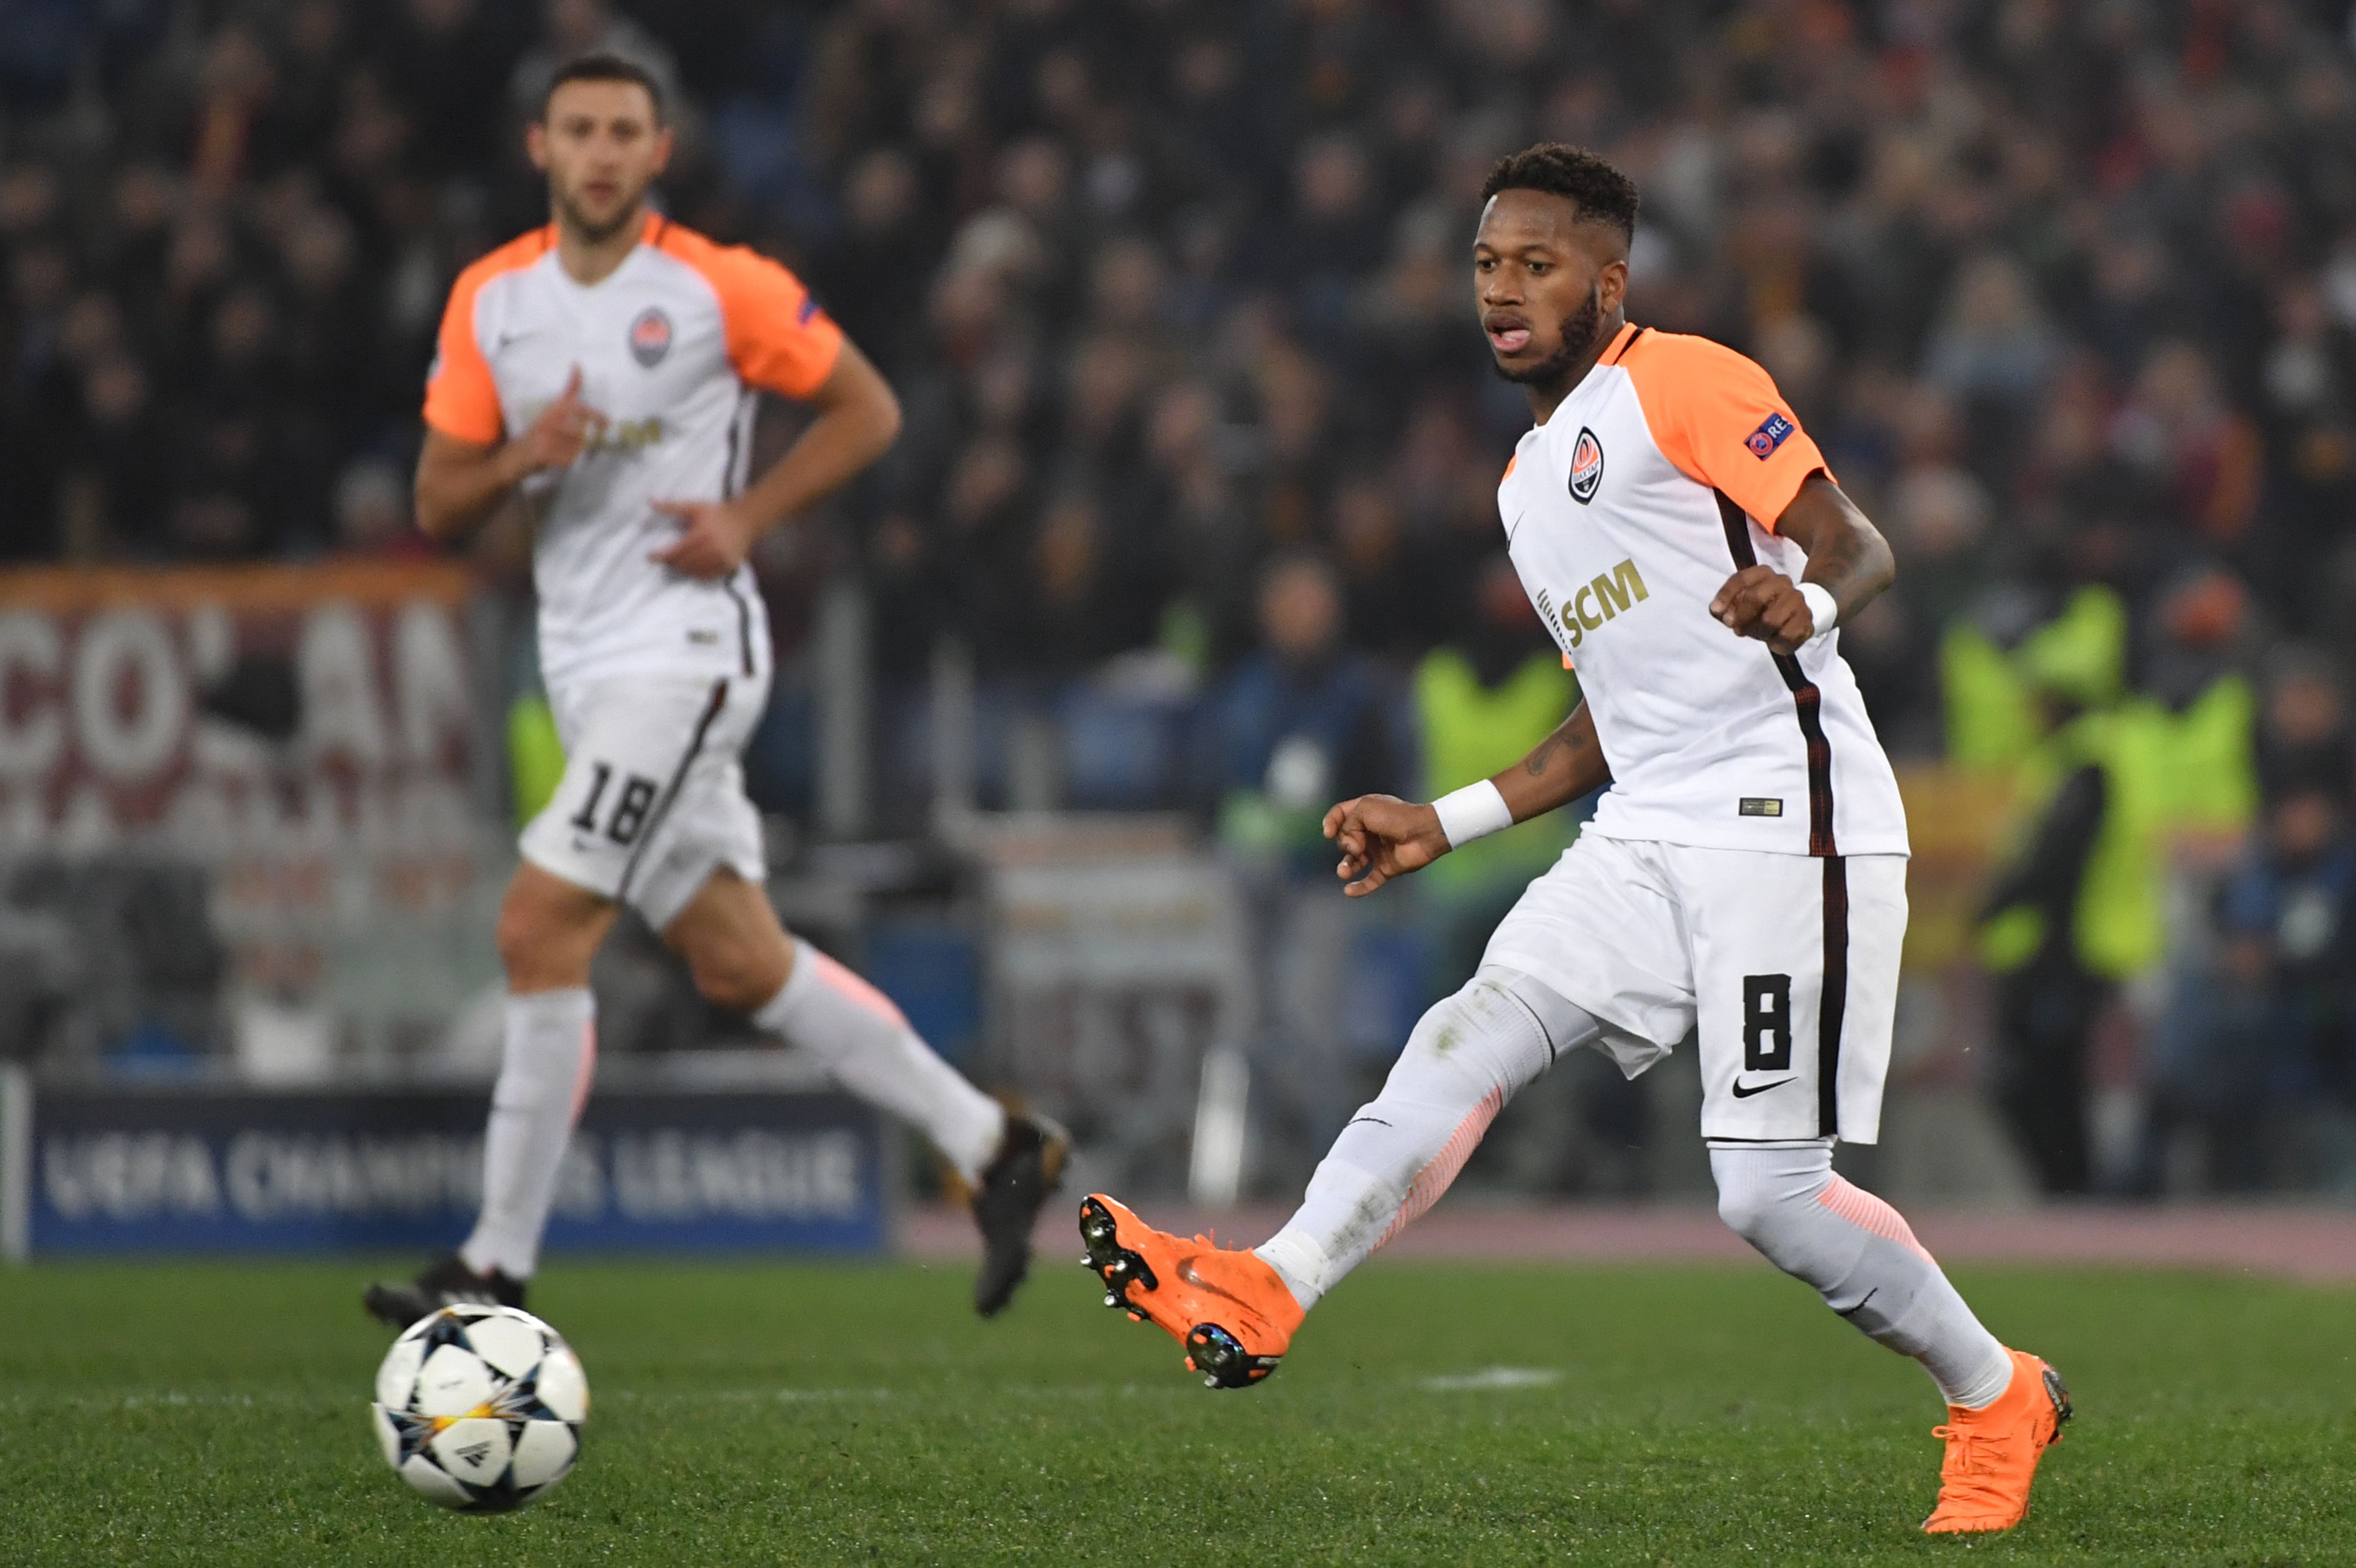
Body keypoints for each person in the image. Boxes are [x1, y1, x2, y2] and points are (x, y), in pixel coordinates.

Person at [1078, 145, 2069, 1536]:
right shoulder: (1525, 483)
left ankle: (1996, 1392)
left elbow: (1857, 542)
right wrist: (1448, 820)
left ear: (1607, 283)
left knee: (1772, 1199)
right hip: (1645, 824)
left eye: (1537, 266)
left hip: (1788, 819)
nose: (1503, 291)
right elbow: (1614, 712)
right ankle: (1269, 1285)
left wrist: (1813, 604)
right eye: (1488, 264)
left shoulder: (1688, 380)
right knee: (1468, 1030)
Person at [363, 54, 1065, 1329]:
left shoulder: (719, 286)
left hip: (686, 654)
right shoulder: (491, 300)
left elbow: (867, 409)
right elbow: (438, 502)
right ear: (540, 148)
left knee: (538, 926)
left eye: (624, 131)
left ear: (659, 152)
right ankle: (993, 1141)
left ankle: (493, 1266)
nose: (602, 152)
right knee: (740, 963)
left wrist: (748, 515)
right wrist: (520, 459)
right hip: (583, 666)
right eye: (580, 130)